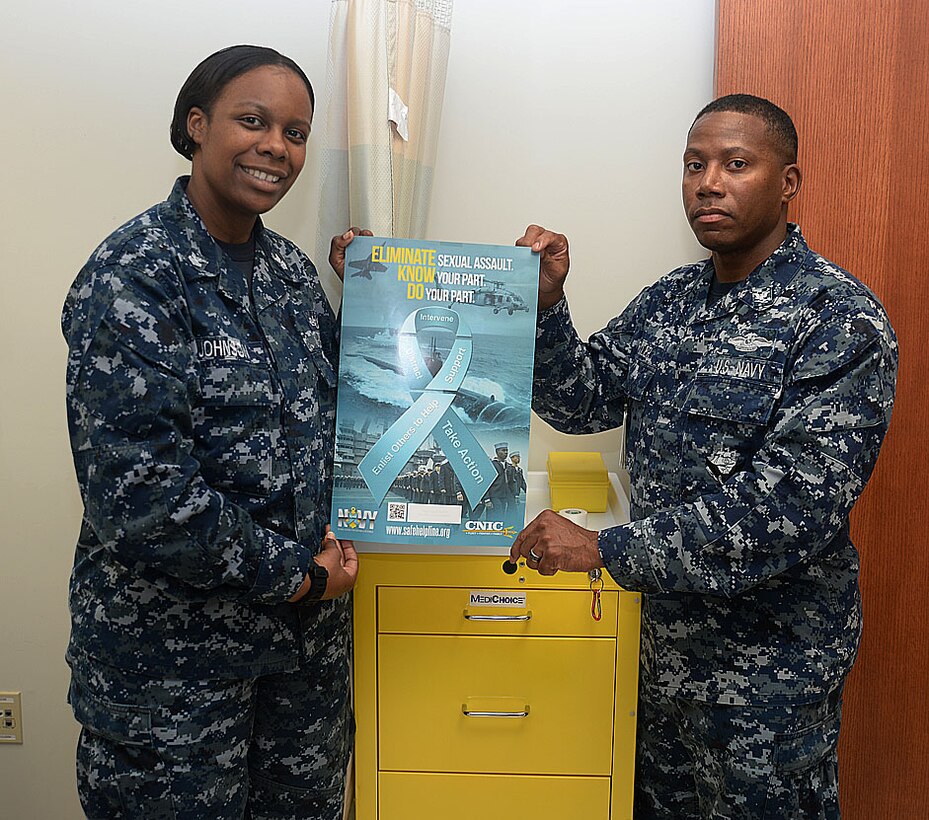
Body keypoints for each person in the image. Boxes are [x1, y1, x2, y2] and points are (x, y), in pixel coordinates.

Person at [510, 94, 897, 818]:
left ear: (787, 183)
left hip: (770, 675)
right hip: (668, 657)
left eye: (735, 164)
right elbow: (582, 400)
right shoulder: (672, 302)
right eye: (694, 165)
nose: (707, 183)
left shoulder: (837, 318)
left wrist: (605, 548)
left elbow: (786, 511)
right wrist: (543, 309)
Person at [62, 45, 370, 819]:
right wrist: (298, 576)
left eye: (295, 132)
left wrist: (383, 296)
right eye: (253, 120)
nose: (276, 146)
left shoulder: (294, 278)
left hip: (301, 674)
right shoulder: (135, 275)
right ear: (195, 126)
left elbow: (358, 419)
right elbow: (143, 500)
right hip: (175, 682)